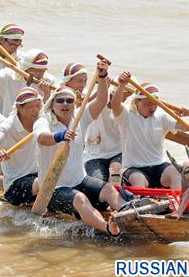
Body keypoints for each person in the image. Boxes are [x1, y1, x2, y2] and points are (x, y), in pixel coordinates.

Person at [34, 77, 128, 237]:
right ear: (52, 104)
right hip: (53, 188)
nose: (65, 104)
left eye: (69, 101)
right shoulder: (44, 121)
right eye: (60, 101)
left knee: (108, 189)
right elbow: (42, 138)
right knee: (80, 199)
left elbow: (101, 101)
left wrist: (103, 77)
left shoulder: (80, 117)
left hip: (80, 179)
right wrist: (60, 136)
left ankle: (133, 213)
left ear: (74, 103)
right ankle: (108, 229)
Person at [111, 73, 189, 188]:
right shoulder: (126, 115)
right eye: (148, 104)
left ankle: (177, 203)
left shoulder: (161, 115)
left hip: (159, 165)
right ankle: (138, 202)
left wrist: (188, 126)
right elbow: (115, 105)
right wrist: (122, 85)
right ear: (137, 102)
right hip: (134, 168)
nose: (152, 107)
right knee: (138, 181)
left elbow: (180, 126)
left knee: (177, 174)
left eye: (154, 103)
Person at [0, 87, 42, 207]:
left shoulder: (41, 120)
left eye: (38, 105)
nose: (35, 111)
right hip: (15, 184)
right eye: (30, 107)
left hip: (37, 176)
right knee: (45, 181)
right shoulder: (7, 126)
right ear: (19, 108)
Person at [67, 62, 120, 183]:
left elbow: (100, 100)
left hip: (113, 152)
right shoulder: (60, 96)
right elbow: (80, 105)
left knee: (115, 174)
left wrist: (103, 84)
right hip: (89, 153)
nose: (83, 84)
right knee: (98, 180)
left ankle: (116, 194)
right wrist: (102, 86)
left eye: (85, 81)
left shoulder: (127, 109)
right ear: (67, 81)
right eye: (79, 81)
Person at [0, 46, 56, 117]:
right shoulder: (9, 75)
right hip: (11, 125)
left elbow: (49, 111)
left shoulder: (50, 81)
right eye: (37, 71)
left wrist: (47, 93)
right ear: (26, 68)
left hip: (36, 125)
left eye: (43, 71)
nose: (41, 74)